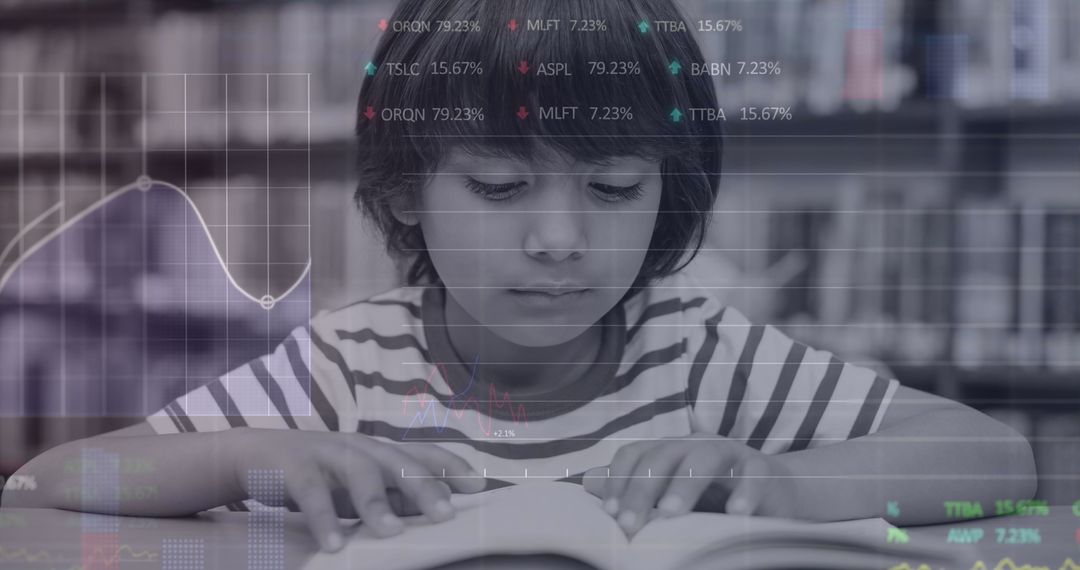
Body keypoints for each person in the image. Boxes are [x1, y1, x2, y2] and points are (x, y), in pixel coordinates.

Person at [4, 0, 1035, 554]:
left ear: (667, 193)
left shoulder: (696, 348)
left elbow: (995, 459)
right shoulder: (353, 359)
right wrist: (248, 459)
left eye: (614, 186)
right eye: (500, 187)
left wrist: (794, 482)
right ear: (407, 190)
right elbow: (47, 484)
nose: (559, 241)